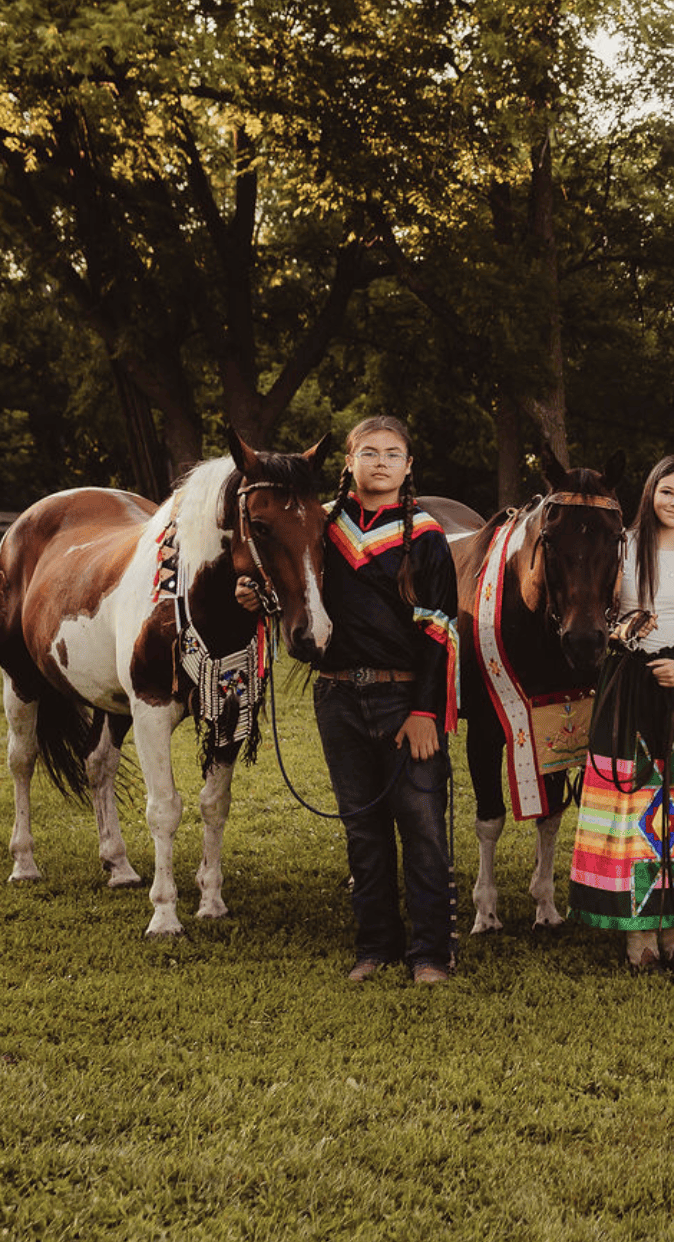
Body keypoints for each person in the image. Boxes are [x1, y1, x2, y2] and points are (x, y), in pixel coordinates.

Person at [566, 455, 674, 973]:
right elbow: (595, 608)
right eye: (667, 492)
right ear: (650, 493)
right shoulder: (624, 547)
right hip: (627, 680)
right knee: (629, 802)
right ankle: (636, 932)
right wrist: (622, 632)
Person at [307, 416, 461, 985]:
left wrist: (425, 711)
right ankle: (374, 946)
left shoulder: (424, 536)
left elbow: (438, 630)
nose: (380, 462)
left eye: (392, 453)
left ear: (408, 466)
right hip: (337, 694)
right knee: (362, 828)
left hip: (403, 699)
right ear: (348, 462)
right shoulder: (320, 527)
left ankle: (431, 954)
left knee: (422, 826)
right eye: (368, 452)